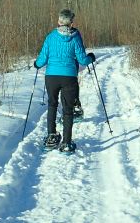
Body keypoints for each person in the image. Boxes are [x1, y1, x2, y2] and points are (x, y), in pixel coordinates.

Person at [33, 9, 95, 153]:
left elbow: (42, 59)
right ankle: (66, 143)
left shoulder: (50, 37)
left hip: (52, 77)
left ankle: (51, 136)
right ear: (71, 23)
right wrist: (91, 58)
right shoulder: (75, 36)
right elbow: (82, 60)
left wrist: (37, 64)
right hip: (69, 77)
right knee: (67, 110)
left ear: (59, 21)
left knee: (52, 104)